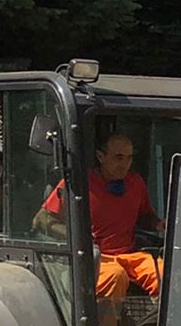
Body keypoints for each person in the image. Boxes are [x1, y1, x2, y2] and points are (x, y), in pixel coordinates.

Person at [36, 131, 162, 306]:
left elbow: (145, 217)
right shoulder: (77, 184)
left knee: (164, 274)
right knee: (115, 277)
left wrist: (159, 224)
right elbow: (41, 220)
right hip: (96, 257)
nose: (125, 164)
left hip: (130, 254)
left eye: (129, 158)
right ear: (100, 156)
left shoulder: (135, 183)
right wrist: (78, 236)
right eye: (119, 157)